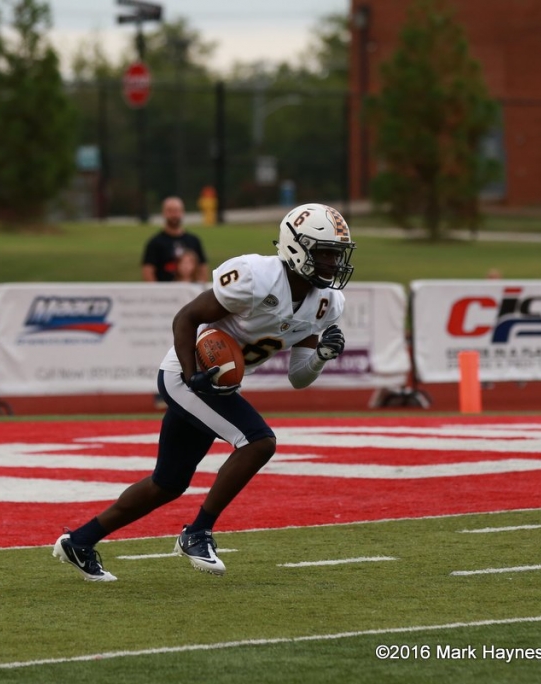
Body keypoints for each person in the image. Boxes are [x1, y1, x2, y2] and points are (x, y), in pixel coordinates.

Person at [54, 203, 356, 581]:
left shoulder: (326, 303)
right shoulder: (256, 277)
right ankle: (197, 532)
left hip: (217, 384)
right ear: (297, 247)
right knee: (259, 441)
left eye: (336, 254)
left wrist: (321, 357)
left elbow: (298, 377)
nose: (333, 263)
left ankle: (79, 541)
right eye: (325, 252)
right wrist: (193, 374)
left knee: (167, 484)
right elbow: (186, 317)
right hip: (186, 376)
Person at [141, 196, 209, 283]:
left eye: (176, 211)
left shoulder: (194, 241)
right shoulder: (155, 243)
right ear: (163, 213)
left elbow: (203, 269)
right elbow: (148, 272)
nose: (174, 215)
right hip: (164, 290)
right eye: (170, 211)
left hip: (190, 290)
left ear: (182, 212)